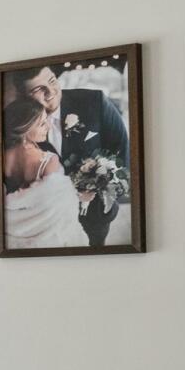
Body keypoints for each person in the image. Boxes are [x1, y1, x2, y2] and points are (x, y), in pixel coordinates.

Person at [23, 65, 130, 247]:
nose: (50, 92)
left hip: (96, 212)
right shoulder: (21, 122)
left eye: (52, 81)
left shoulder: (94, 101)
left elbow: (120, 148)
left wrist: (106, 193)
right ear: (24, 96)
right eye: (39, 89)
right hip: (49, 217)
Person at [0, 93, 89, 249]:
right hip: (46, 239)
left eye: (46, 120)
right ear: (24, 128)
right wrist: (78, 196)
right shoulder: (49, 161)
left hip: (9, 236)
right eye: (42, 124)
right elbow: (55, 210)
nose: (48, 126)